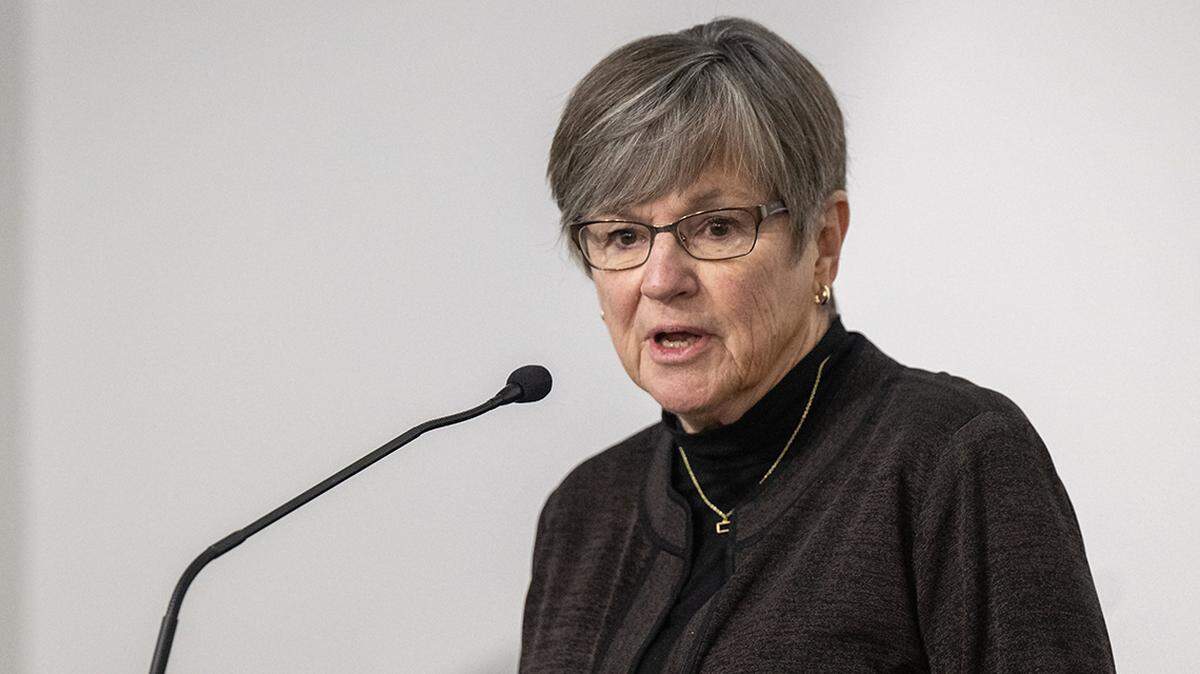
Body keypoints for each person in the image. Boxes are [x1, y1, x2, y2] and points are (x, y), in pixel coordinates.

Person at [520, 17, 1114, 673]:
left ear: (823, 242)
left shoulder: (950, 456)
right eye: (623, 237)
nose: (661, 280)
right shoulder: (583, 513)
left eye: (717, 226)